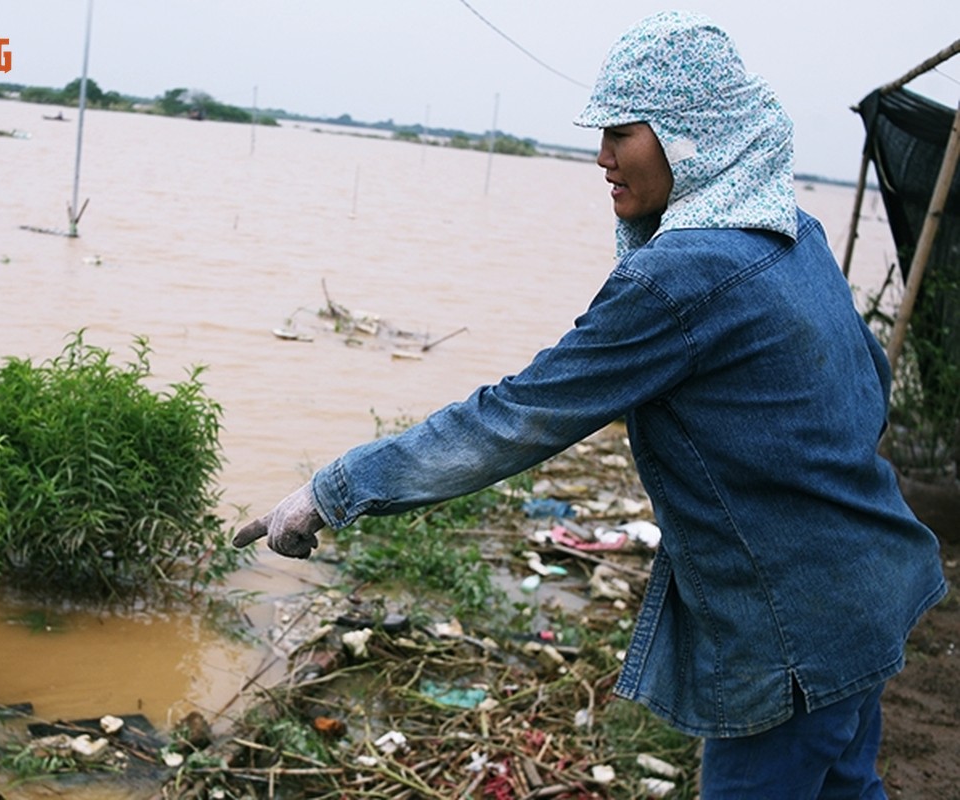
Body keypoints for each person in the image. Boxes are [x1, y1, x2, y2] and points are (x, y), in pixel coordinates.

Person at [232, 10, 948, 799]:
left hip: (792, 632)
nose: (601, 156)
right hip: (870, 585)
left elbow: (515, 417)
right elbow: (868, 390)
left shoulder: (680, 277)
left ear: (692, 134)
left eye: (622, 131)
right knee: (847, 788)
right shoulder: (789, 230)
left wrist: (331, 490)